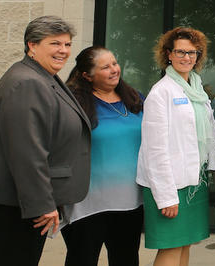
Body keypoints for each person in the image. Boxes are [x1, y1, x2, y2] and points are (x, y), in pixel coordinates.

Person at [0, 16, 90, 266]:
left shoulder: (43, 76)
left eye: (67, 44)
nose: (63, 51)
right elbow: (27, 152)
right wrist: (42, 204)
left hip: (17, 199)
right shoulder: (27, 82)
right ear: (32, 45)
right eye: (55, 44)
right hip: (10, 201)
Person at [137, 27, 215, 266]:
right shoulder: (161, 92)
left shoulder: (197, 90)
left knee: (184, 244)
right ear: (168, 54)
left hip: (193, 180)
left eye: (193, 52)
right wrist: (166, 197)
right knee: (170, 248)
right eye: (180, 52)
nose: (187, 57)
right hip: (169, 184)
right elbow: (155, 149)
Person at [62, 46, 145, 266]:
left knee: (126, 260)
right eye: (105, 67)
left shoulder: (135, 99)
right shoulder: (73, 104)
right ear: (86, 75)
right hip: (87, 202)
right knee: (82, 260)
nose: (114, 70)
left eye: (115, 63)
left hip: (130, 201)